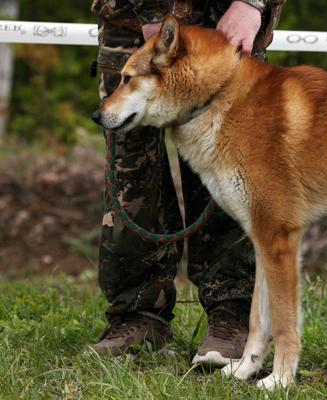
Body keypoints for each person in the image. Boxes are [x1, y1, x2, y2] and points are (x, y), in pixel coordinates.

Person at [90, 0, 285, 366]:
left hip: (224, 26)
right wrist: (151, 15)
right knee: (132, 174)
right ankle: (138, 315)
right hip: (131, 22)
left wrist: (251, 4)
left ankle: (233, 314)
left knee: (231, 167)